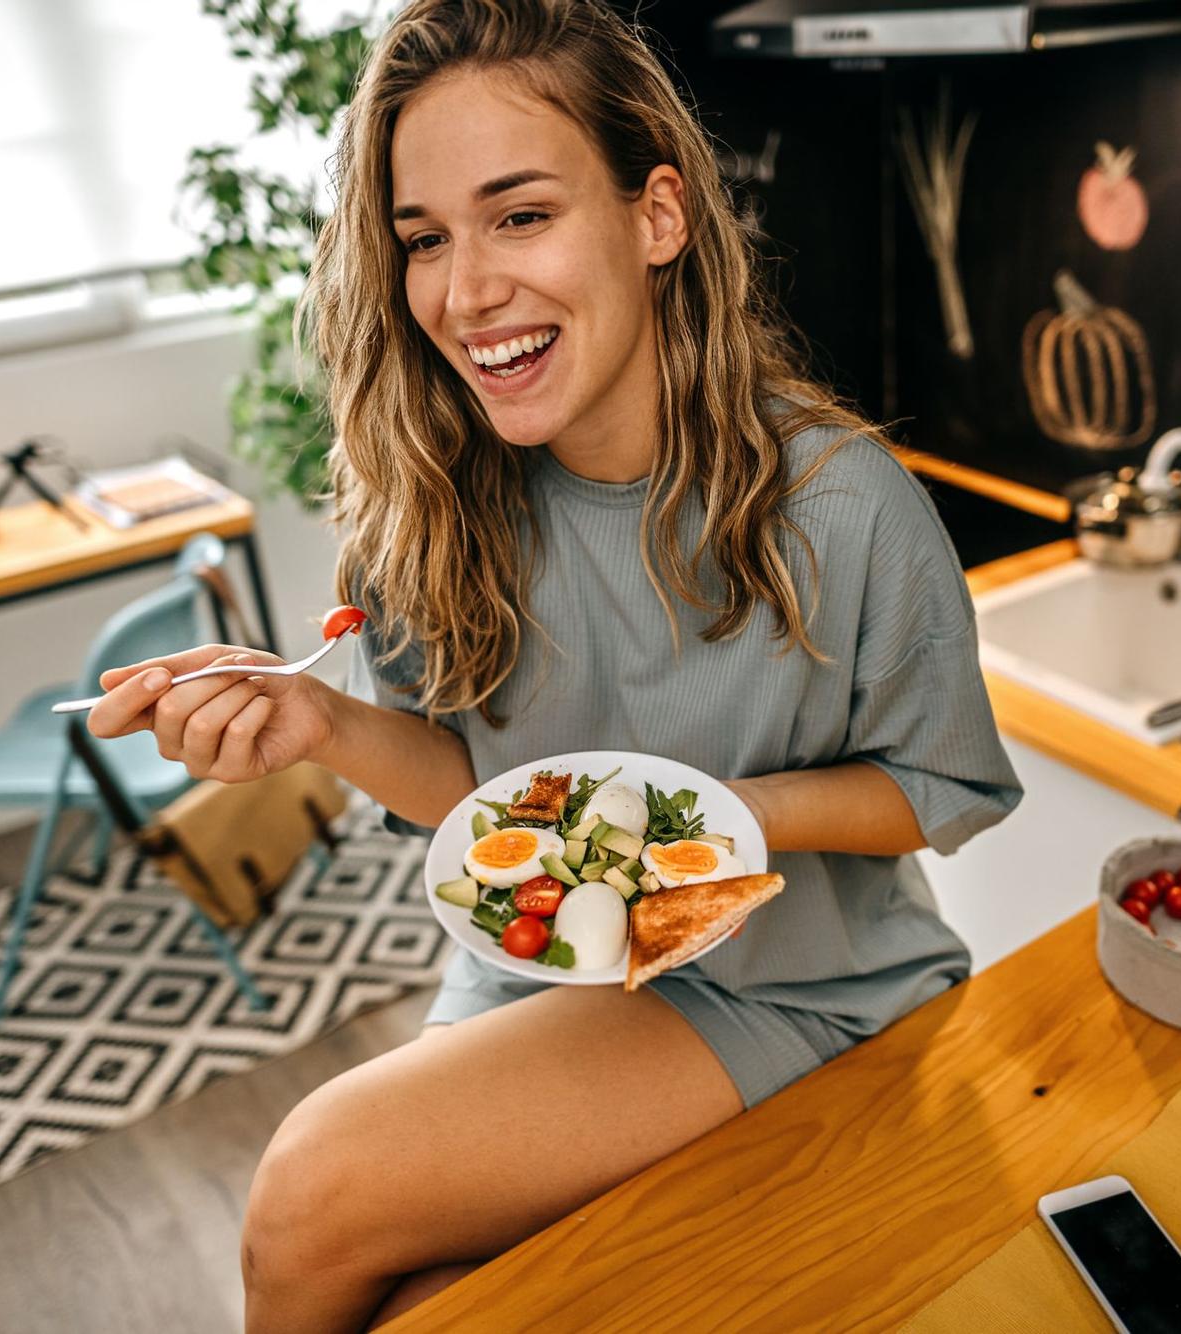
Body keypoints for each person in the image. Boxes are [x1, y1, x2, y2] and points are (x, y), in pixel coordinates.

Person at [86, 1, 1021, 1329]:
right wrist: (319, 725)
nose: (465, 293)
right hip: (534, 971)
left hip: (789, 983)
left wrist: (709, 820)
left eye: (520, 215)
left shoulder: (846, 504)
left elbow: (941, 786)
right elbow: (474, 787)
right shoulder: (429, 495)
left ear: (658, 216)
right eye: (425, 238)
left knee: (307, 1188)